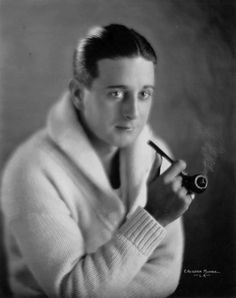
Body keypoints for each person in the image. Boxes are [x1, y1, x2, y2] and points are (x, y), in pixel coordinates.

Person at [1, 24, 194, 298]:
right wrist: (152, 217)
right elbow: (75, 291)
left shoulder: (156, 154)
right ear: (79, 95)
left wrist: (103, 287)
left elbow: (167, 274)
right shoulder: (30, 169)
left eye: (144, 93)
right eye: (116, 93)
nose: (133, 113)